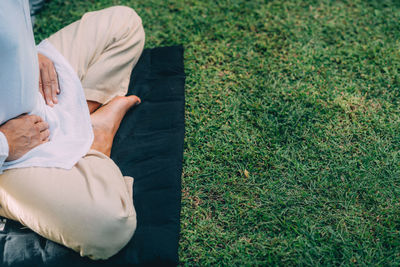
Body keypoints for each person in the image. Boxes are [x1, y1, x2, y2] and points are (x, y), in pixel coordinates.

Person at [0, 1, 145, 260]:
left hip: (38, 92)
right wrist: (6, 143)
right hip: (8, 157)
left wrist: (28, 56)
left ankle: (87, 120)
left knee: (124, 24)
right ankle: (91, 146)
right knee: (109, 226)